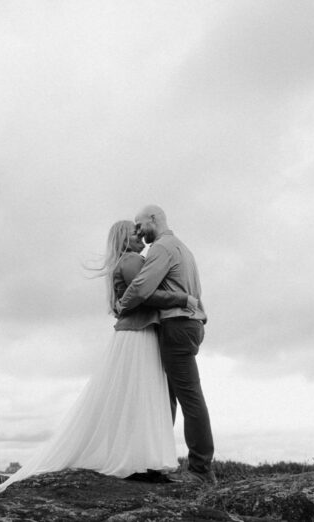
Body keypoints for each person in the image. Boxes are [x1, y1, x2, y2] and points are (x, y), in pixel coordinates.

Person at [0, 220, 186, 498]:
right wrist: (182, 297)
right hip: (137, 334)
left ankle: (140, 460)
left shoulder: (129, 260)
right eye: (134, 232)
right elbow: (146, 294)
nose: (140, 235)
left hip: (137, 332)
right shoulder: (131, 260)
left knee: (135, 397)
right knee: (139, 395)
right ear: (123, 239)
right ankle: (140, 461)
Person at [114, 205, 216, 485]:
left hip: (177, 325)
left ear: (154, 220)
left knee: (188, 396)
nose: (137, 231)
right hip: (192, 325)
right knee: (168, 396)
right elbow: (192, 291)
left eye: (139, 224)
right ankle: (156, 460)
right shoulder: (185, 249)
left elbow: (142, 288)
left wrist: (122, 304)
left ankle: (200, 470)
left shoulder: (161, 248)